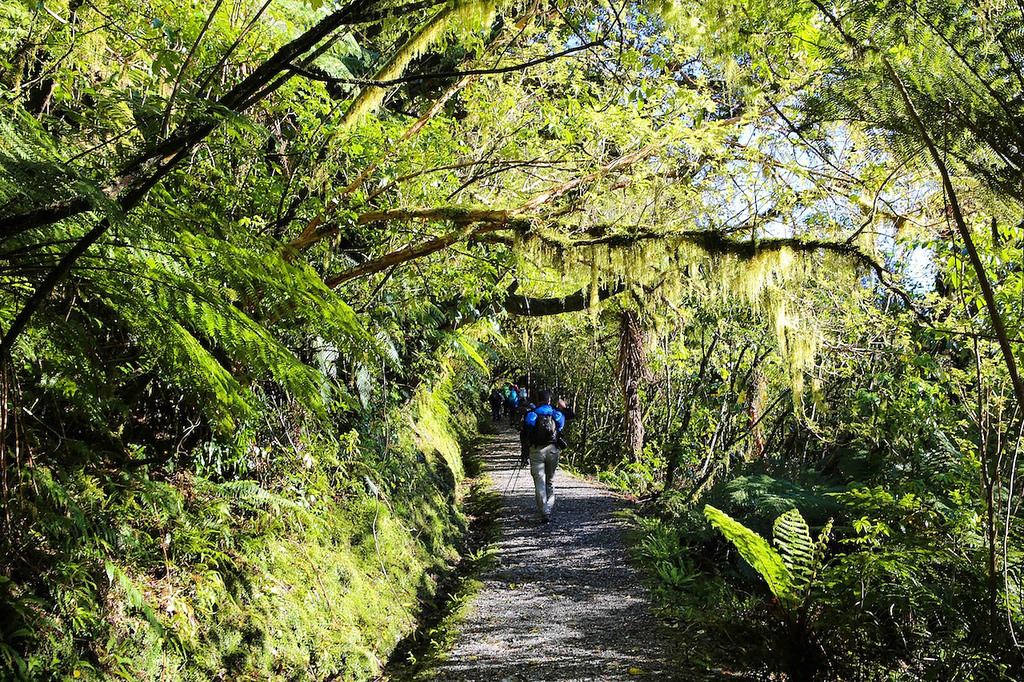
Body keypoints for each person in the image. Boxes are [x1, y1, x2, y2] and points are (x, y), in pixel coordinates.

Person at [521, 390, 565, 523]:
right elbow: (561, 427)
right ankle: (549, 508)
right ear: (549, 400)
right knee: (550, 481)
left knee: (539, 481)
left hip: (536, 451)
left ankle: (544, 511)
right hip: (552, 450)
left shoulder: (532, 414)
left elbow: (526, 430)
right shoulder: (556, 414)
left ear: (538, 400)